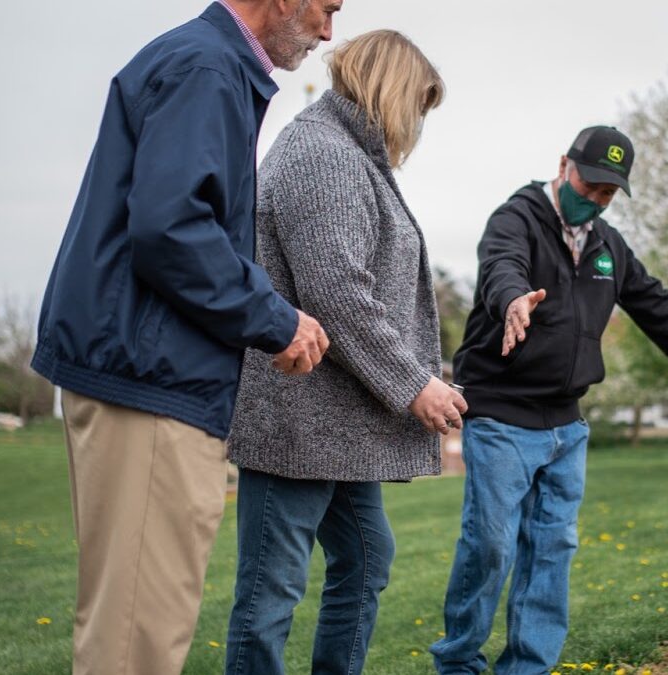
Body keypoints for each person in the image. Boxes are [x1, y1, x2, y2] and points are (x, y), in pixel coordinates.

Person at [30, 2, 342, 673]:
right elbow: (172, 229)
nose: (328, 30)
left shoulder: (206, 63)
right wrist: (277, 318)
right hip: (151, 382)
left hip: (148, 375)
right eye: (328, 6)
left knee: (128, 627)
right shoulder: (207, 65)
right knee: (134, 645)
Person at [430, 126, 668, 674]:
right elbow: (502, 267)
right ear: (564, 166)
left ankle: (527, 669)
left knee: (552, 554)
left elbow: (666, 316)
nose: (596, 199)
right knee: (490, 548)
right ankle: (458, 664)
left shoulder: (608, 247)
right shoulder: (517, 219)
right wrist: (512, 301)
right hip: (503, 420)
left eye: (608, 192)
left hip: (565, 429)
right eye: (591, 184)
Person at [223, 29, 464, 675]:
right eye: (415, 104)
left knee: (365, 557)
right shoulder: (323, 154)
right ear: (387, 89)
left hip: (336, 425)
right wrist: (416, 383)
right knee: (270, 591)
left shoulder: (345, 151)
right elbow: (338, 292)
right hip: (297, 419)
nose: (414, 123)